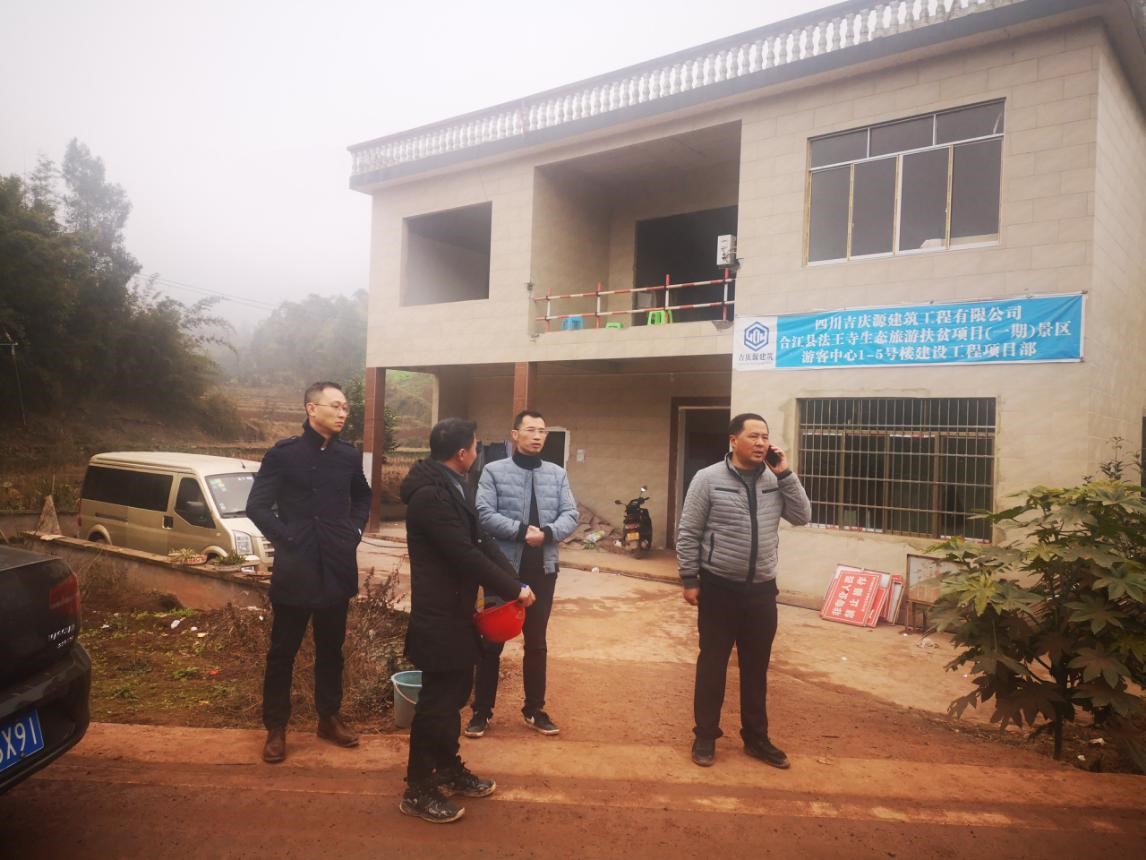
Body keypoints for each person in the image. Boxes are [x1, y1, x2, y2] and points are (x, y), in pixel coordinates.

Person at [400, 417, 537, 824]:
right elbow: (463, 554)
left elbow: (481, 541)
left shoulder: (455, 485)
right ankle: (417, 789)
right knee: (436, 703)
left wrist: (515, 582)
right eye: (476, 446)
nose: (477, 453)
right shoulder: (429, 496)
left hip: (458, 613)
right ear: (462, 453)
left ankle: (447, 768)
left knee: (456, 695)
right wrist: (512, 589)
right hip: (438, 615)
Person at [676, 412, 811, 769]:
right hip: (719, 589)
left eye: (765, 436)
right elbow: (689, 532)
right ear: (733, 440)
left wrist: (786, 474)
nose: (761, 443)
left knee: (756, 669)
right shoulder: (708, 479)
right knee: (712, 666)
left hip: (762, 593)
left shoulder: (775, 479)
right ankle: (705, 735)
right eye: (753, 436)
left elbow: (802, 516)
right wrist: (689, 578)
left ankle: (756, 738)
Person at [247, 381, 372, 764]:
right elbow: (257, 506)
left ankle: (328, 718)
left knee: (331, 649)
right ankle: (276, 728)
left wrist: (353, 531)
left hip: (336, 565)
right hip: (296, 569)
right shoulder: (283, 455)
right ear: (311, 408)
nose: (342, 413)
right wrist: (287, 537)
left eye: (346, 407)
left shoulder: (348, 456)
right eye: (335, 406)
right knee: (282, 652)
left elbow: (363, 495)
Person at [470, 409, 579, 738]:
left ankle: (534, 709)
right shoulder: (493, 471)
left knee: (536, 641)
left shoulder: (557, 474)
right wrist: (520, 531)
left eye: (542, 431)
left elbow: (571, 514)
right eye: (530, 430)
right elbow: (483, 513)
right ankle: (481, 711)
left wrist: (547, 533)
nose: (537, 436)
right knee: (492, 640)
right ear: (515, 435)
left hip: (542, 568)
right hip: (502, 570)